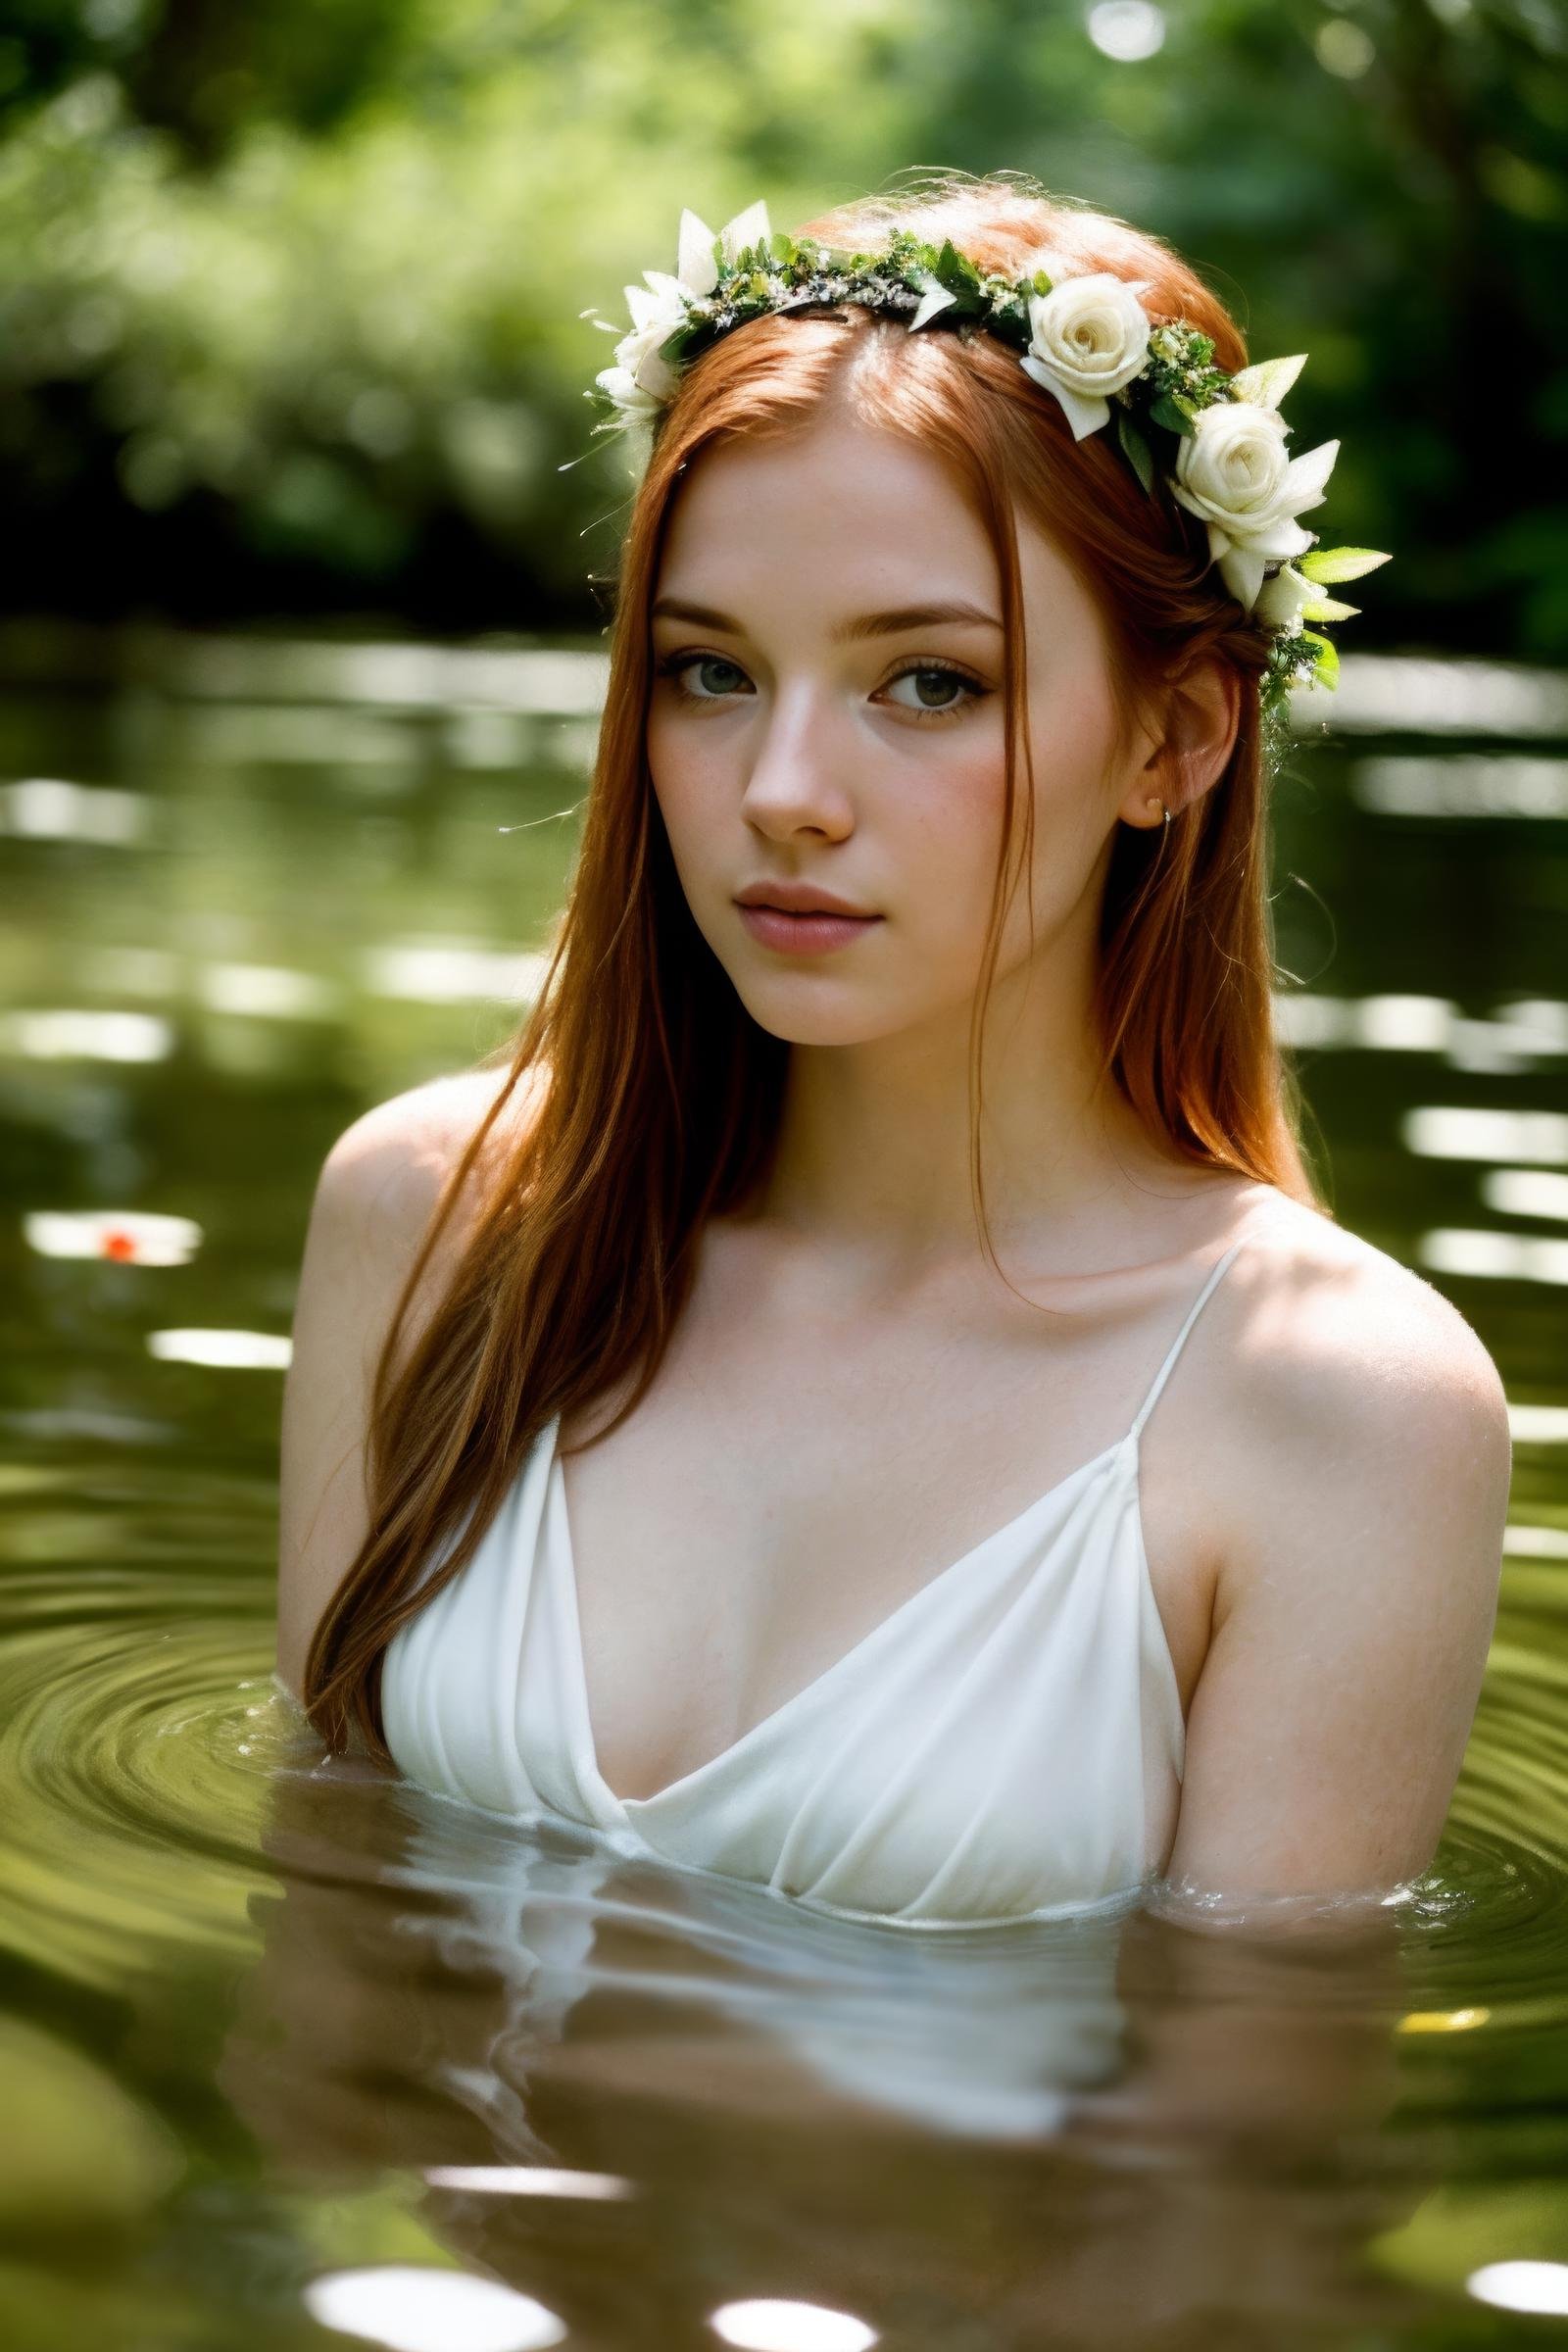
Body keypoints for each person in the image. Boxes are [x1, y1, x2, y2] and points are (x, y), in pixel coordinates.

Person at [274, 172, 1512, 1934]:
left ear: (1174, 738)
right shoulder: (434, 1221)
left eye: (929, 683)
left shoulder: (1337, 1414)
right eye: (709, 674)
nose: (780, 792)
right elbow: (324, 1959)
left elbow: (1228, 2175)